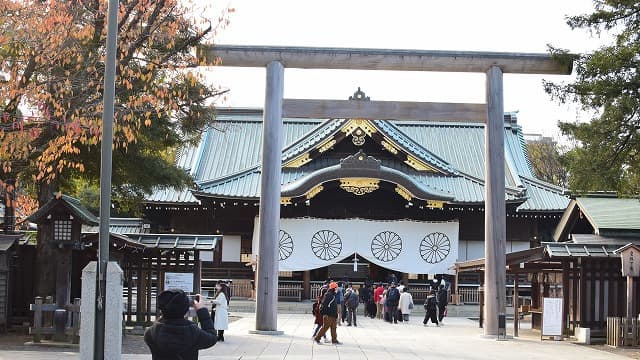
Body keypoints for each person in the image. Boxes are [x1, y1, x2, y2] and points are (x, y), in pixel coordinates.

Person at [145, 289, 216, 359]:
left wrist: (165, 312)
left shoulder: (151, 332)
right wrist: (202, 311)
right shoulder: (193, 332)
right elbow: (212, 337)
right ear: (186, 308)